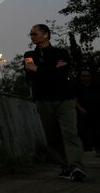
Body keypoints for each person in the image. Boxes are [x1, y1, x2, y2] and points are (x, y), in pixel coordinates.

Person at [23, 24, 85, 181]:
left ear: (45, 35)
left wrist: (40, 70)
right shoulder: (29, 54)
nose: (32, 36)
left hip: (64, 99)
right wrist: (51, 70)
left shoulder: (61, 52)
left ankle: (76, 166)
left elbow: (62, 72)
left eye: (34, 33)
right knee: (52, 137)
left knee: (70, 133)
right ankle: (66, 165)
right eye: (30, 34)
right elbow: (30, 74)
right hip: (44, 101)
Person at [74, 66, 100, 156]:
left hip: (96, 111)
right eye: (84, 76)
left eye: (88, 76)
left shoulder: (96, 86)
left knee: (97, 130)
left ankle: (98, 149)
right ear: (81, 77)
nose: (86, 78)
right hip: (82, 112)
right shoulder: (77, 87)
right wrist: (80, 108)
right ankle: (86, 148)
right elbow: (74, 99)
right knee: (83, 130)